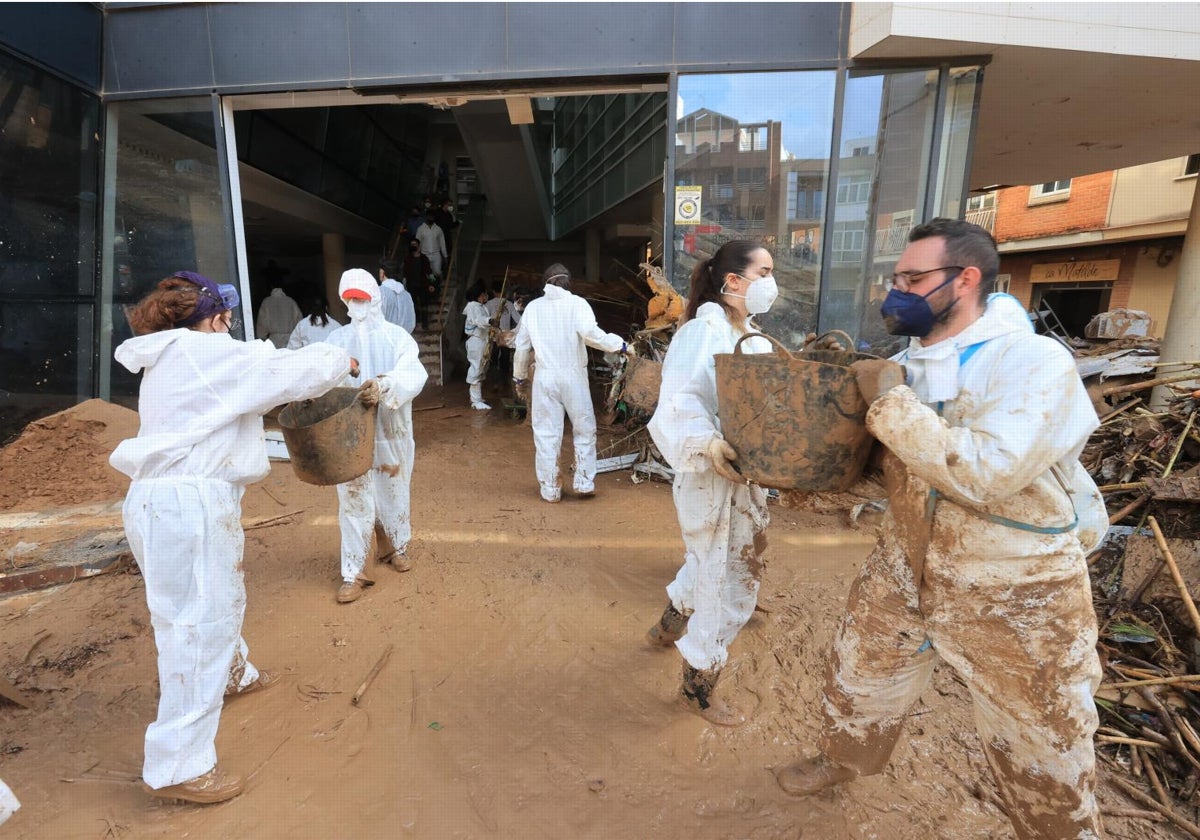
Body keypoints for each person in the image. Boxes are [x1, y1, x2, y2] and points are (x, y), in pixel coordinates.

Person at [774, 219, 1108, 840]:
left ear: (967, 279)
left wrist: (890, 405)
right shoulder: (909, 363)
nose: (897, 290)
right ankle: (842, 759)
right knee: (861, 672)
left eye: (914, 278)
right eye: (896, 277)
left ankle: (1058, 830)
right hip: (907, 559)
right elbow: (893, 473)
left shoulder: (1031, 360)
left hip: (1015, 583)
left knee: (1041, 730)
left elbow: (987, 472)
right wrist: (794, 470)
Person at [110, 271, 357, 804]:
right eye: (228, 319)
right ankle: (181, 766)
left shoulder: (172, 357)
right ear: (216, 317)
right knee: (201, 623)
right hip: (190, 507)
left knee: (185, 611)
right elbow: (289, 370)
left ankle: (234, 673)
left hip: (155, 503)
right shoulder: (206, 354)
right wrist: (344, 360)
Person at [645, 240, 776, 726]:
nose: (771, 282)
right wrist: (706, 443)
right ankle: (697, 687)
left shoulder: (754, 337)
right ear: (733, 282)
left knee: (708, 562)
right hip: (712, 477)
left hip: (747, 480)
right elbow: (680, 401)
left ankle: (666, 627)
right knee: (725, 580)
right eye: (763, 272)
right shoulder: (704, 332)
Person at [323, 268, 429, 604]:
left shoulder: (397, 338)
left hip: (390, 428)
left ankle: (395, 547)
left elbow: (414, 372)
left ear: (375, 299)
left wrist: (384, 386)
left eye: (362, 298)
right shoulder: (336, 340)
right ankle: (353, 572)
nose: (356, 305)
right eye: (350, 299)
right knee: (353, 498)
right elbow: (323, 376)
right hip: (349, 433)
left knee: (394, 487)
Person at [512, 264, 628, 502]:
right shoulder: (577, 304)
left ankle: (550, 489)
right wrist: (620, 345)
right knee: (584, 429)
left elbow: (521, 347)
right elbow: (590, 334)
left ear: (546, 284)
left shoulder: (532, 308)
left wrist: (519, 377)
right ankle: (584, 483)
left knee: (546, 433)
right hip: (573, 375)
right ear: (568, 282)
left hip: (544, 377)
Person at [462, 282, 494, 411]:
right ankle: (475, 400)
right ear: (479, 295)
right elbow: (478, 320)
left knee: (481, 368)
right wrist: (490, 321)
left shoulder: (481, 306)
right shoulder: (472, 306)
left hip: (482, 340)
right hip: (476, 340)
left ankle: (477, 397)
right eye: (484, 293)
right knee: (476, 367)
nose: (486, 296)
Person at [402, 239, 436, 331]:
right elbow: (405, 273)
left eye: (415, 244)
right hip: (411, 286)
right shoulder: (407, 259)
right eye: (412, 244)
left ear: (419, 246)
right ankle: (415, 323)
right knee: (413, 305)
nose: (413, 246)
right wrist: (404, 284)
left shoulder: (424, 258)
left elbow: (429, 272)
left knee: (424, 304)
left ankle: (425, 324)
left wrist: (432, 283)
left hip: (423, 285)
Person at [378, 259, 416, 333]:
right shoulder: (407, 295)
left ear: (382, 273)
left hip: (384, 339)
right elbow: (411, 322)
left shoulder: (379, 292)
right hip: (402, 339)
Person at [415, 213, 447, 279]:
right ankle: (431, 286)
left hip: (436, 254)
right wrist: (416, 253)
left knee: (437, 272)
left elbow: (442, 243)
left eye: (432, 217)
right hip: (425, 254)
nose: (431, 218)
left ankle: (438, 282)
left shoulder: (438, 229)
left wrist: (445, 255)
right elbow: (418, 242)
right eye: (429, 217)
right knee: (427, 273)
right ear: (426, 217)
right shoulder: (420, 229)